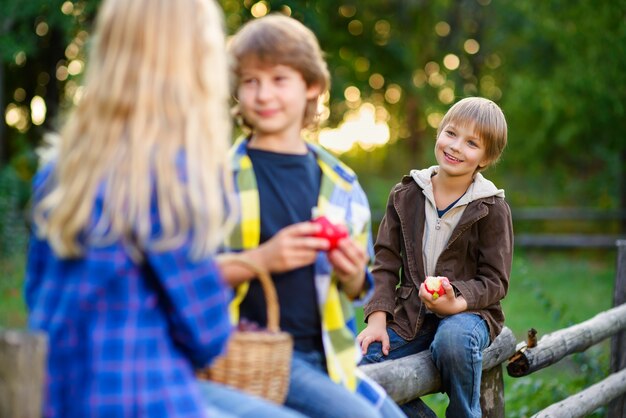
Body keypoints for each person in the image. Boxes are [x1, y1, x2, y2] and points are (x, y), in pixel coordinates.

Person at [24, 0, 304, 417]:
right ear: (195, 62)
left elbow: (38, 301)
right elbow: (207, 336)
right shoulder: (170, 180)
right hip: (146, 399)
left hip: (57, 399)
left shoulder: (60, 173)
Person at [216, 13, 406, 418]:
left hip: (333, 356)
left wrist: (353, 272)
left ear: (312, 86)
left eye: (279, 79)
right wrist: (262, 260)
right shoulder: (217, 178)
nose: (263, 94)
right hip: (256, 356)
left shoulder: (340, 183)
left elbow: (358, 288)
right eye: (251, 81)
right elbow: (185, 275)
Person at [357, 97, 513, 418]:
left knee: (453, 340)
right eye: (451, 134)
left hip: (468, 315)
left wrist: (456, 301)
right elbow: (385, 262)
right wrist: (377, 319)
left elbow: (495, 281)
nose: (456, 147)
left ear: (487, 157)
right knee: (360, 370)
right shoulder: (407, 194)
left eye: (472, 143)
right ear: (439, 133)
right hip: (410, 315)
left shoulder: (491, 207)